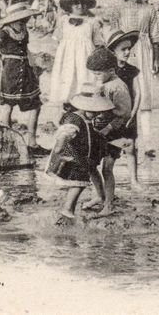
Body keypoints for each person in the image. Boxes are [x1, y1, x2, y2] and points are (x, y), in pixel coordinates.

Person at [46, 82, 111, 221]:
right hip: (72, 156)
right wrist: (59, 150)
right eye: (94, 111)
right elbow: (64, 135)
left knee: (88, 173)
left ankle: (99, 196)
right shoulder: (74, 119)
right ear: (83, 106)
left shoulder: (86, 118)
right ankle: (68, 209)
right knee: (78, 182)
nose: (97, 114)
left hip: (83, 155)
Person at [85, 47, 133, 214]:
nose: (95, 77)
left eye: (98, 74)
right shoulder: (102, 83)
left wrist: (108, 128)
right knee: (90, 164)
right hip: (98, 130)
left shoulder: (118, 87)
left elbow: (125, 114)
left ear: (111, 71)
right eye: (93, 74)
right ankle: (100, 195)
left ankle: (109, 204)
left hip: (115, 132)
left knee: (107, 168)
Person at [0, 3, 47, 155]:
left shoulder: (24, 30)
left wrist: (34, 64)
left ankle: (32, 142)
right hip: (10, 72)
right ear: (12, 20)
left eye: (25, 19)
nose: (24, 22)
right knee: (8, 106)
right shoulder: (4, 32)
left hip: (26, 71)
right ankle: (7, 142)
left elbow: (26, 50)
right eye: (21, 20)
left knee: (36, 105)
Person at [113, 0, 159, 137]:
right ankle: (124, 135)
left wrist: (156, 60)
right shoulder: (118, 9)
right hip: (124, 49)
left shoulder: (149, 9)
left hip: (144, 51)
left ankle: (147, 138)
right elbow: (113, 34)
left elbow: (155, 36)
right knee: (125, 88)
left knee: (145, 91)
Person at [50, 0, 104, 107]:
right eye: (76, 3)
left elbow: (98, 42)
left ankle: (83, 107)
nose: (80, 6)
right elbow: (57, 40)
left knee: (84, 81)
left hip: (86, 58)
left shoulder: (92, 22)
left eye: (83, 3)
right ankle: (68, 107)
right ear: (69, 4)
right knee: (67, 81)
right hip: (67, 59)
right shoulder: (63, 20)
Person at [107, 29, 144, 189]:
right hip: (112, 115)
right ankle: (108, 184)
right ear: (113, 51)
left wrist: (133, 114)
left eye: (129, 49)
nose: (127, 52)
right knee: (109, 151)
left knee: (130, 147)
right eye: (123, 49)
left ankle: (134, 180)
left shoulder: (132, 70)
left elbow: (138, 93)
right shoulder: (108, 71)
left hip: (129, 115)